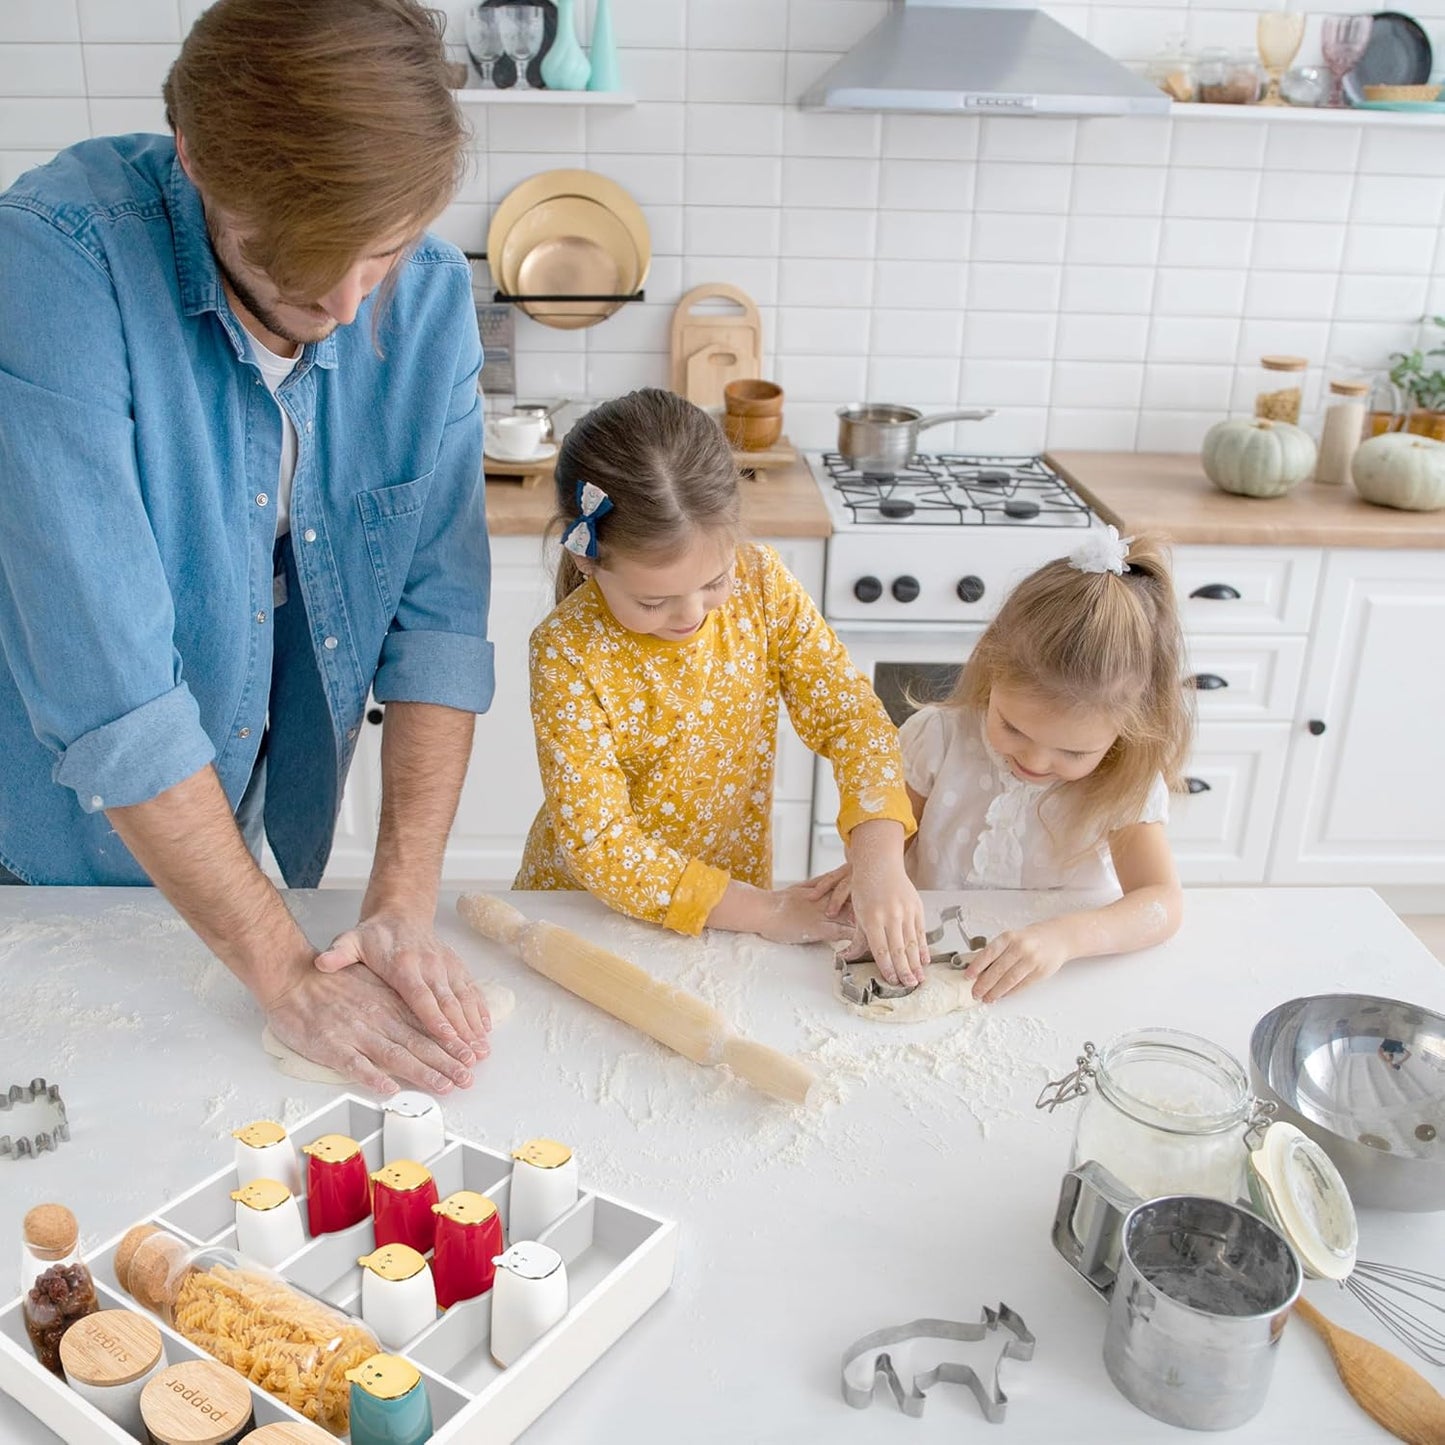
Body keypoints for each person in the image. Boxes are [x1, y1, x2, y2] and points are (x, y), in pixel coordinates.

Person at [0, 0, 495, 1095]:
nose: (347, 304)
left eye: (382, 253)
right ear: (194, 162)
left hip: (226, 827)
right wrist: (283, 971)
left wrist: (400, 904)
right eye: (301, 263)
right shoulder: (53, 260)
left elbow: (438, 622)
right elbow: (111, 691)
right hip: (40, 852)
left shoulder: (428, 296)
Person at [513, 388, 931, 984]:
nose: (691, 615)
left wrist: (881, 859)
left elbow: (851, 719)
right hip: (588, 916)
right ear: (587, 560)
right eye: (653, 601)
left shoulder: (763, 585)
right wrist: (767, 912)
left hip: (730, 910)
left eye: (714, 581)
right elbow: (602, 844)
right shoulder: (567, 650)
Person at [817, 528, 1191, 1002]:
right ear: (991, 673)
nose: (1034, 760)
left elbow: (1162, 903)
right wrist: (875, 868)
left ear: (1128, 728)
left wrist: (1065, 939)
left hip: (1058, 985)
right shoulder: (941, 738)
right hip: (930, 964)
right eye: (1013, 728)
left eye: (1073, 753)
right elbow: (887, 834)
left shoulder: (1123, 780)